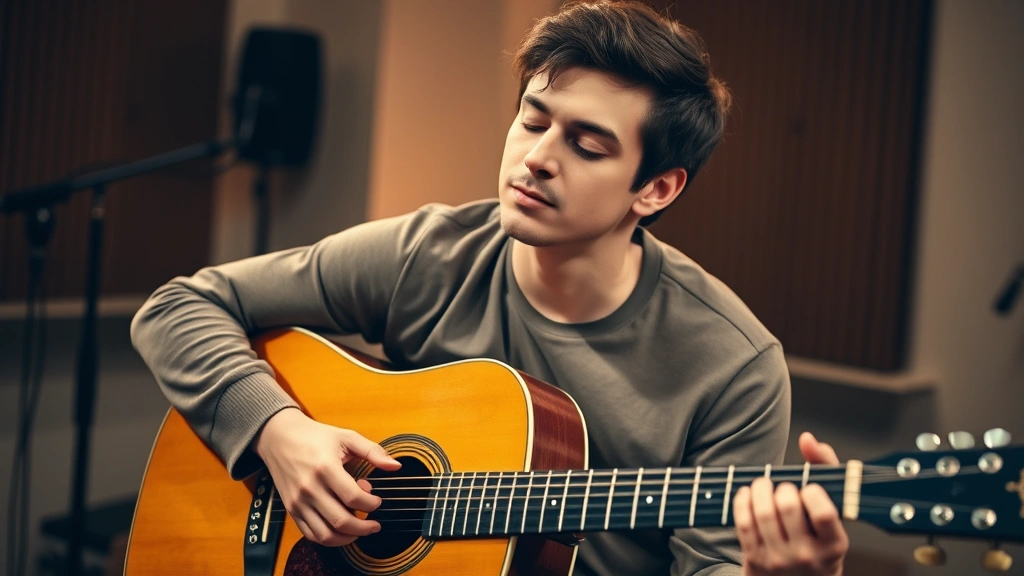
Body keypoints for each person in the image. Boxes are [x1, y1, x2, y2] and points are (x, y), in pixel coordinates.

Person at [131, 1, 849, 574]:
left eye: (587, 146)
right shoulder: (432, 254)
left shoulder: (734, 364)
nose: (536, 158)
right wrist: (276, 433)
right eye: (532, 120)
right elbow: (178, 306)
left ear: (656, 189)